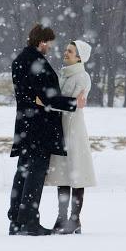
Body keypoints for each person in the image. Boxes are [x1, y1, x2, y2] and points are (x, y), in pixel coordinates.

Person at [8, 24, 86, 236]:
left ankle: (15, 219)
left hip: (24, 124)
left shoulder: (19, 60)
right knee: (35, 174)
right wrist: (73, 104)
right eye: (49, 43)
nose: (50, 47)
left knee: (22, 172)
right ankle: (30, 222)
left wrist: (37, 101)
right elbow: (48, 97)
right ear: (42, 42)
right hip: (39, 128)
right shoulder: (38, 63)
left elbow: (31, 96)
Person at [44, 40, 96, 234]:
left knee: (77, 174)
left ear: (79, 57)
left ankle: (75, 220)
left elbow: (71, 103)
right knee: (63, 175)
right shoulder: (64, 75)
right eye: (66, 50)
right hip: (62, 130)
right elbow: (64, 101)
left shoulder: (82, 77)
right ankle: (61, 218)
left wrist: (47, 102)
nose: (65, 53)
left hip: (74, 130)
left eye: (70, 51)